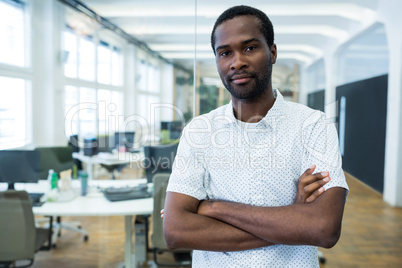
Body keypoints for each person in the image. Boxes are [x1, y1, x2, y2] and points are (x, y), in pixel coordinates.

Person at [163, 5, 349, 267]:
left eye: (250, 47)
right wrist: (293, 220)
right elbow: (175, 231)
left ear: (272, 52)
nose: (237, 61)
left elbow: (323, 229)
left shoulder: (313, 125)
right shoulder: (199, 130)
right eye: (225, 52)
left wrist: (214, 208)